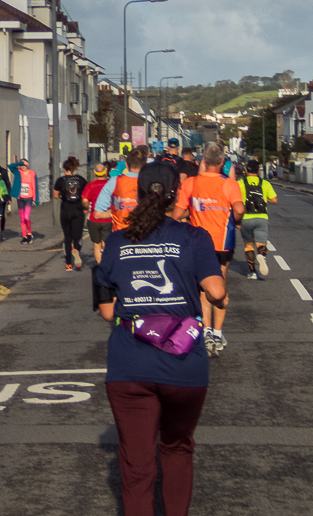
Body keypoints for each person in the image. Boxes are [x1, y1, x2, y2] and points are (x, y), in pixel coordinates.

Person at [96, 162, 226, 516]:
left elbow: (107, 312)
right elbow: (216, 291)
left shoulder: (116, 242)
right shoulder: (194, 237)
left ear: (138, 194)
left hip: (129, 365)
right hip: (184, 363)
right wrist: (222, 300)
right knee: (177, 447)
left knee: (136, 465)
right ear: (175, 195)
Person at [172, 142, 243, 357]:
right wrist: (235, 220)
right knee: (220, 286)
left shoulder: (191, 183)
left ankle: (207, 332)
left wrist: (191, 214)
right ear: (222, 162)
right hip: (223, 243)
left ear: (203, 161)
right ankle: (218, 334)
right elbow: (239, 208)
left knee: (202, 289)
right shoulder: (229, 184)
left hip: (197, 244)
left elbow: (176, 215)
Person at [238, 159, 278, 280]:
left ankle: (252, 272)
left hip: (246, 218)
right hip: (261, 218)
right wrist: (266, 199)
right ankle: (262, 256)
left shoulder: (240, 183)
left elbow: (235, 199)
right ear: (259, 171)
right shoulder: (265, 183)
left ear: (245, 170)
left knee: (248, 245)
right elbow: (275, 200)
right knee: (261, 243)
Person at [96, 147, 147, 232]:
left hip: (120, 235)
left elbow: (98, 214)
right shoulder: (149, 182)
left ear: (126, 164)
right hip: (144, 234)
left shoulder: (114, 181)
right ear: (145, 164)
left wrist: (115, 211)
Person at [53, 156, 89, 271]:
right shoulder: (81, 179)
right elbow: (85, 196)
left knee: (67, 237)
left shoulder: (60, 180)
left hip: (65, 209)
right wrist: (85, 208)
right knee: (77, 236)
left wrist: (62, 196)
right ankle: (76, 250)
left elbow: (55, 196)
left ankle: (68, 264)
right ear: (74, 169)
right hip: (78, 209)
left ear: (64, 169)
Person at [83, 162, 113, 263]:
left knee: (96, 244)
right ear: (105, 173)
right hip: (107, 218)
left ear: (94, 174)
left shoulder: (90, 186)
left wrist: (85, 209)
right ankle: (107, 263)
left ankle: (100, 265)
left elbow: (85, 201)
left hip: (93, 218)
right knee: (106, 243)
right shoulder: (110, 185)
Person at [8, 157, 37, 244]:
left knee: (27, 217)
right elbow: (10, 166)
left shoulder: (32, 174)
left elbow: (34, 186)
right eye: (21, 165)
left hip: (29, 198)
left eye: (24, 164)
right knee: (22, 218)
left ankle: (29, 234)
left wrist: (35, 198)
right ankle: (24, 236)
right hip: (20, 198)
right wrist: (19, 163)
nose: (23, 166)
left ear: (28, 164)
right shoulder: (18, 172)